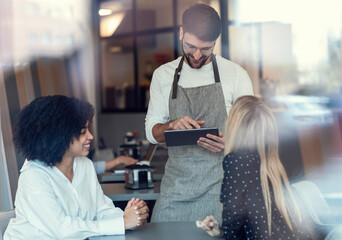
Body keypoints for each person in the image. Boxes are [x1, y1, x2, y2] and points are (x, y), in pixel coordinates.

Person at [145, 3, 253, 222]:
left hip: (221, 190)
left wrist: (231, 144)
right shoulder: (163, 76)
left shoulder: (235, 75)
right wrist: (171, 125)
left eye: (205, 49)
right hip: (175, 190)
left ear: (215, 42)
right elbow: (151, 133)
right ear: (181, 32)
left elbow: (254, 135)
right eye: (190, 46)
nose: (196, 56)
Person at [4, 95, 149, 239]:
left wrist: (130, 217)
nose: (90, 136)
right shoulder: (33, 176)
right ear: (59, 136)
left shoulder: (84, 165)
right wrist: (122, 223)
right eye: (82, 132)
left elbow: (102, 209)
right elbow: (62, 230)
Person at [196, 96, 311, 239]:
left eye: (229, 118)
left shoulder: (237, 160)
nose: (226, 122)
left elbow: (233, 218)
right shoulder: (272, 163)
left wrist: (224, 233)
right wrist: (220, 232)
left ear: (235, 127)